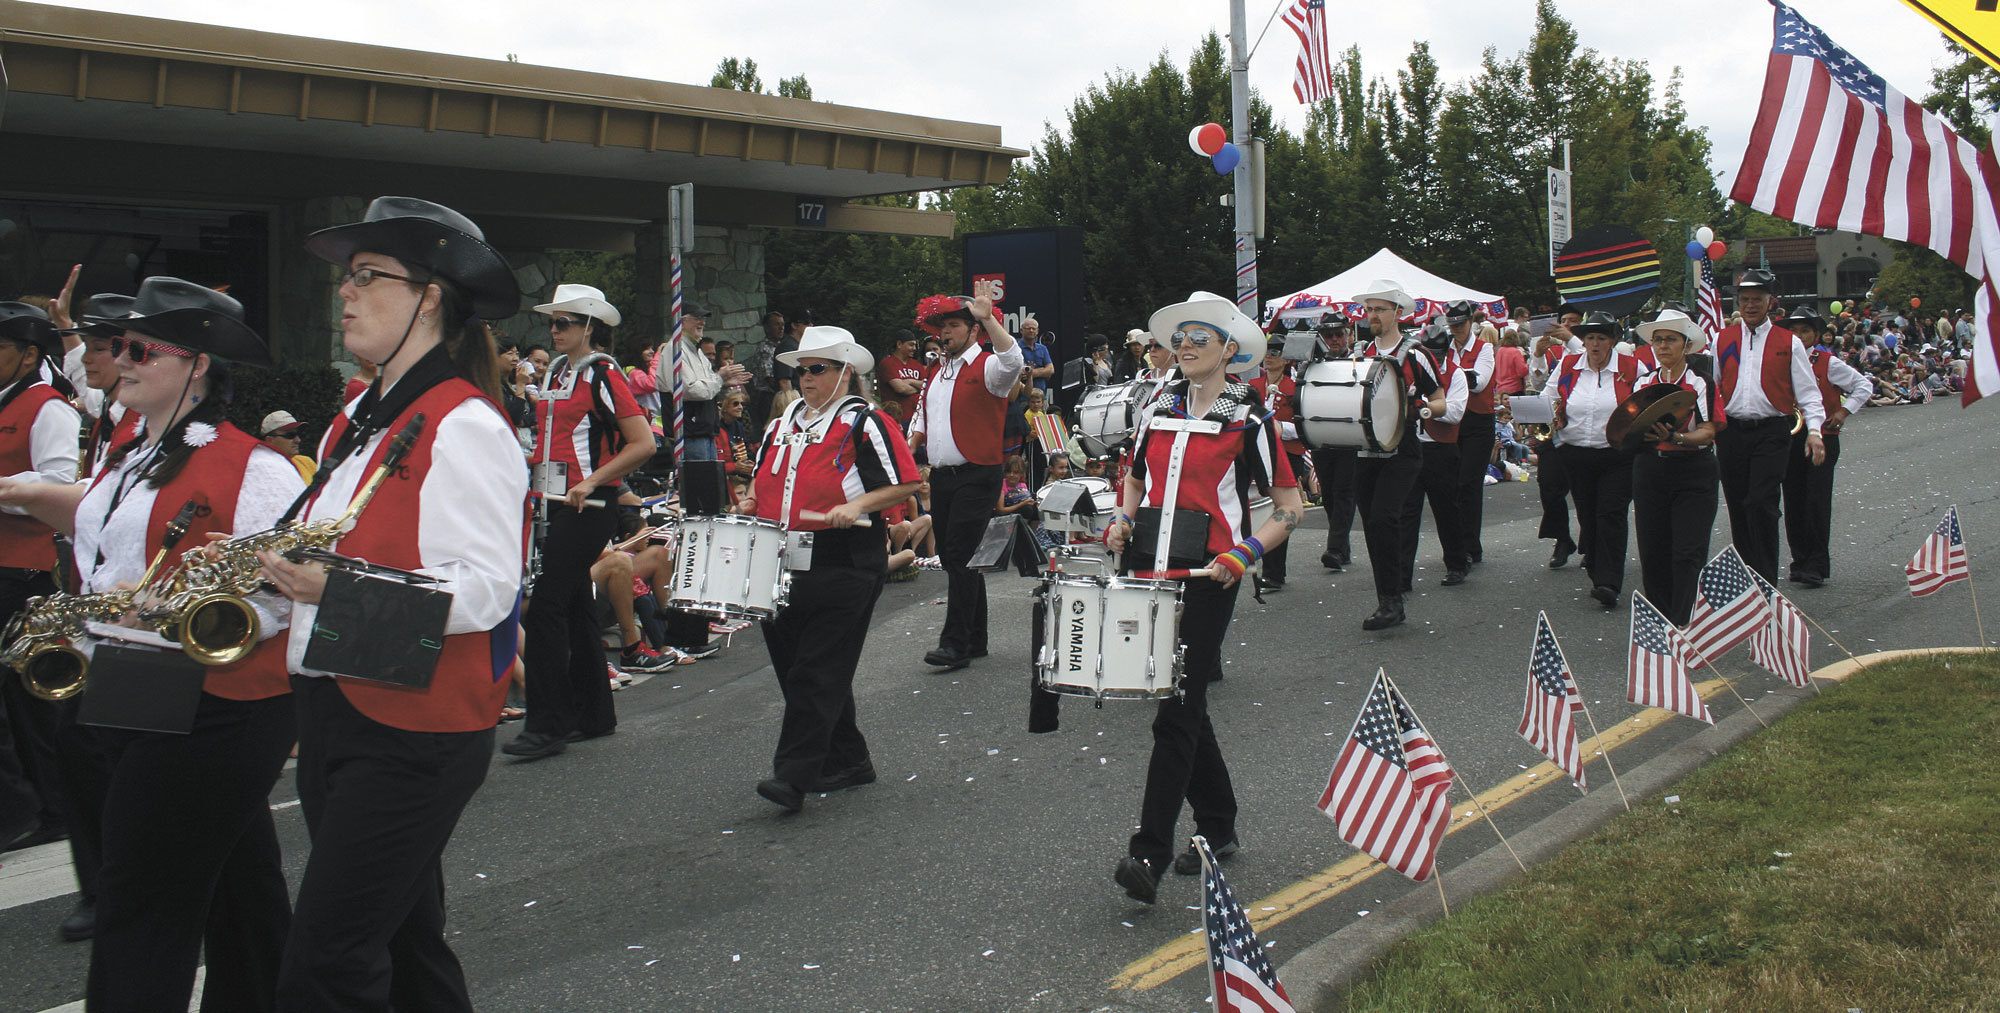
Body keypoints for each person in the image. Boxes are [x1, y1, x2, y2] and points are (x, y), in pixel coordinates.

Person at [257, 196, 529, 1011]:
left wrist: (334, 586)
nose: (345, 291)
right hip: (344, 701)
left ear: (431, 295)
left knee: (327, 967)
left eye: (369, 275)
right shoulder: (363, 416)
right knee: (404, 950)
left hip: (415, 729)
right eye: (348, 276)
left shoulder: (464, 423)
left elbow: (487, 590)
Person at [3, 278, 304, 1010]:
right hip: (139, 691)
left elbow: (276, 594)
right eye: (115, 345)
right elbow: (105, 532)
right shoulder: (133, 453)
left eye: (138, 347)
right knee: (240, 884)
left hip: (215, 705)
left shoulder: (254, 467)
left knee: (139, 896)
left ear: (196, 364)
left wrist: (167, 614)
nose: (120, 358)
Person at [1099, 291, 1303, 903]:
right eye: (1179, 337)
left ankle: (1148, 853)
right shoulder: (1156, 406)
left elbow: (1289, 509)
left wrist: (1243, 555)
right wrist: (1122, 519)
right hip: (1148, 571)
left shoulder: (1251, 418)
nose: (1184, 346)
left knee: (1174, 713)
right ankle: (1219, 823)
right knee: (1182, 704)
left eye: (1199, 337)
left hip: (1209, 577)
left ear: (1229, 350)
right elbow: (1134, 476)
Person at [735, 327, 918, 811]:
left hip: (845, 561)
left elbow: (905, 483)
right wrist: (750, 502)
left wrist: (857, 503)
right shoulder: (782, 423)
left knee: (815, 671)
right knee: (802, 667)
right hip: (782, 560)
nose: (806, 378)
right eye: (802, 369)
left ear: (845, 372)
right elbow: (762, 483)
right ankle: (849, 759)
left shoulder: (867, 422)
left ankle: (793, 777)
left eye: (817, 368)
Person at [504, 284, 659, 761]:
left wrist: (593, 481)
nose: (554, 330)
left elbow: (643, 443)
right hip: (554, 501)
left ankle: (548, 723)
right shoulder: (554, 371)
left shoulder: (603, 374)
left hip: (586, 506)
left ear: (590, 326)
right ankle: (594, 715)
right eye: (552, 322)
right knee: (571, 606)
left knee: (548, 606)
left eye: (565, 322)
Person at [906, 282, 1025, 671]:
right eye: (942, 327)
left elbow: (1014, 362)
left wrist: (989, 318)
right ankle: (976, 639)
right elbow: (923, 415)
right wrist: (911, 444)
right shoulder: (936, 370)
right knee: (961, 558)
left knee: (957, 554)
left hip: (978, 472)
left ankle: (955, 644)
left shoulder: (988, 364)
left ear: (972, 330)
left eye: (955, 325)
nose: (946, 332)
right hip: (943, 476)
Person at [0, 301, 81, 858]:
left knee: (29, 695)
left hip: (22, 569)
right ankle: (23, 803)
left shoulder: (47, 407)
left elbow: (58, 482)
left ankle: (53, 807)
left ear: (29, 355)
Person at [1713, 269, 1827, 583]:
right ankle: (1747, 575)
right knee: (1738, 505)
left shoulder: (1788, 342)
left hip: (1772, 431)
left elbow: (1808, 393)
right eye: (1745, 300)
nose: (1750, 305)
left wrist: (1815, 431)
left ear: (1770, 302)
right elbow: (1712, 387)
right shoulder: (1722, 339)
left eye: (1757, 300)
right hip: (1731, 432)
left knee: (1761, 502)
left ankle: (1765, 579)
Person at [1348, 282, 1446, 630]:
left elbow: (1440, 399)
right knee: (1374, 528)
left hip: (1403, 449)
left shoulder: (1416, 353)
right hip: (1364, 450)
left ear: (1397, 314)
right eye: (1369, 309)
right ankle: (1388, 596)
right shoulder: (1357, 353)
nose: (1372, 315)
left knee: (1383, 519)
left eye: (1379, 309)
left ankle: (1392, 601)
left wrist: (1418, 410)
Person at [1540, 311, 1640, 610]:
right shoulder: (1569, 364)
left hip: (1617, 454)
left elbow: (1646, 401)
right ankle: (1598, 570)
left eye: (1601, 338)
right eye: (1590, 338)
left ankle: (1608, 582)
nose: (1595, 344)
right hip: (1575, 452)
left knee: (1610, 514)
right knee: (1588, 514)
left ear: (1612, 341)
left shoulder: (1632, 367)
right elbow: (1548, 396)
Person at [1628, 308, 1720, 625]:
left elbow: (1709, 430)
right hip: (1650, 470)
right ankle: (1660, 621)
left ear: (1685, 345)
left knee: (1687, 551)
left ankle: (1685, 620)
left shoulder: (1700, 382)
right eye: (1658, 340)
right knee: (1653, 552)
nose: (1663, 346)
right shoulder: (1642, 383)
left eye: (1670, 340)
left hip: (1692, 469)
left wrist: (1679, 437)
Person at [1781, 305, 1871, 588]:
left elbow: (1863, 386)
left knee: (1816, 501)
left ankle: (1817, 565)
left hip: (1822, 437)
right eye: (1793, 331)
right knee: (1793, 500)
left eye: (1804, 331)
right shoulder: (1780, 360)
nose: (1798, 335)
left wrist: (1844, 413)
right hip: (1791, 437)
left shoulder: (1827, 362)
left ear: (1816, 334)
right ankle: (1799, 561)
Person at [1402, 317, 1472, 587]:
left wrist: (1420, 406)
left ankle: (1456, 563)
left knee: (1447, 510)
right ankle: (1402, 573)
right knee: (1406, 512)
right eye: (1429, 354)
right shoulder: (1412, 369)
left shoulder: (1455, 374)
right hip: (1412, 445)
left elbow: (1454, 413)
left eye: (1438, 354)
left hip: (1440, 449)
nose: (1435, 359)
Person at [63, 293, 143, 480]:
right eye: (86, 347)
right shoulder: (107, 411)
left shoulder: (142, 424)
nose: (85, 358)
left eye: (98, 349)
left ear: (128, 354)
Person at [1531, 303, 1585, 568]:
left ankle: (1592, 541)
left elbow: (1584, 354)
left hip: (1585, 430)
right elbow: (1542, 385)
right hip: (1557, 430)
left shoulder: (1590, 349)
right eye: (1564, 321)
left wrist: (1571, 339)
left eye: (1573, 322)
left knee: (1586, 491)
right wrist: (1539, 356)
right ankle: (1563, 539)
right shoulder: (1560, 354)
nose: (1566, 326)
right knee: (1549, 486)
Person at [1248, 343, 1305, 590]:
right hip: (1258, 455)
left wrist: (1281, 430)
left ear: (1286, 360)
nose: (1269, 357)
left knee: (1280, 509)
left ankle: (1274, 573)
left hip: (1286, 454)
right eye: (1267, 352)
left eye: (1275, 353)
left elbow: (1303, 427)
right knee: (1260, 509)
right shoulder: (1253, 387)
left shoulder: (1295, 389)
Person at [1444, 300, 1497, 567]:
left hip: (1478, 421)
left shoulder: (1484, 348)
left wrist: (1452, 376)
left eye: (1461, 325)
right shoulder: (1447, 349)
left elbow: (1478, 382)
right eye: (1452, 325)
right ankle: (1459, 543)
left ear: (1470, 323)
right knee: (1453, 484)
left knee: (1469, 483)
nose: (1456, 330)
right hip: (1454, 420)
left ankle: (1470, 545)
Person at [1309, 316, 1359, 572]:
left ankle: (1336, 549)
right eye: (1329, 336)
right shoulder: (1313, 364)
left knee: (1343, 493)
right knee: (1329, 494)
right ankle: (1342, 547)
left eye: (1339, 334)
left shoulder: (1358, 362)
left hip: (1349, 434)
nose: (1335, 340)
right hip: (1322, 433)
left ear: (1349, 334)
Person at [879, 329, 925, 426]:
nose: (915, 348)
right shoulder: (888, 363)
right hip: (895, 419)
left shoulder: (917, 365)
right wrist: (919, 388)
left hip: (917, 419)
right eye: (911, 345)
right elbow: (901, 388)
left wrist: (910, 381)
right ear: (899, 344)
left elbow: (927, 385)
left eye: (915, 345)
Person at [261, 410, 318, 482]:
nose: (298, 440)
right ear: (269, 440)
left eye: (298, 434)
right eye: (290, 435)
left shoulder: (306, 462)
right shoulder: (263, 470)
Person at [1018, 317, 1055, 395]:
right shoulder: (1016, 349)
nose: (1031, 330)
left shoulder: (1042, 348)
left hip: (1041, 397)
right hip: (1021, 397)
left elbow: (1051, 370)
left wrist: (1031, 373)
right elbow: (1020, 374)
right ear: (1021, 330)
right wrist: (1042, 370)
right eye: (1028, 328)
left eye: (1034, 328)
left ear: (1037, 331)